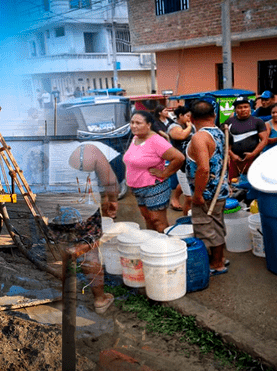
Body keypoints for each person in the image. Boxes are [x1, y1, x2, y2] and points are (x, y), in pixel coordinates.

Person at [42, 143, 119, 314]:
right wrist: (112, 200)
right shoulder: (87, 150)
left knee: (56, 253)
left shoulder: (38, 149)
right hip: (84, 211)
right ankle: (100, 300)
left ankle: (62, 301)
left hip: (53, 210)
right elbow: (110, 181)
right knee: (90, 251)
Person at [185, 100, 230, 276]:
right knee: (217, 225)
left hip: (207, 194)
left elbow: (203, 168)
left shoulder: (199, 137)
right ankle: (219, 258)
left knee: (206, 228)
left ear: (191, 117)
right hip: (219, 190)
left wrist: (197, 194)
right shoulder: (219, 132)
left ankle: (217, 263)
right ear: (213, 115)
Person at [123, 111, 184, 232]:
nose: (134, 126)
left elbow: (179, 158)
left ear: (149, 125)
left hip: (154, 186)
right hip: (138, 188)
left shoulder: (156, 141)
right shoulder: (136, 138)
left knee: (158, 221)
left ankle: (164, 248)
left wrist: (164, 173)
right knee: (148, 219)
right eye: (132, 122)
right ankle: (152, 246)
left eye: (138, 123)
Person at [225, 97, 268, 180]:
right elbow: (226, 142)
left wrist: (253, 154)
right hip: (234, 161)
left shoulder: (258, 122)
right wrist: (232, 155)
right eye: (240, 107)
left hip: (253, 160)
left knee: (254, 181)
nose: (243, 110)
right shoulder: (229, 122)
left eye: (245, 107)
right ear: (235, 110)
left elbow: (264, 140)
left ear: (250, 108)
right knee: (233, 184)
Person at [168, 106, 195, 214]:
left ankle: (175, 198)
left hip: (192, 164)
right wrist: (189, 126)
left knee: (188, 187)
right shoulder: (174, 127)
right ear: (180, 116)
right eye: (187, 116)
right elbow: (182, 135)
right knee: (189, 199)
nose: (189, 118)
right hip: (181, 165)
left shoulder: (191, 127)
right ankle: (186, 219)